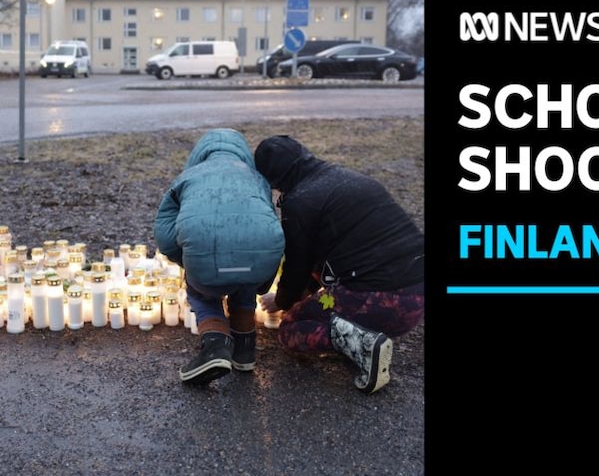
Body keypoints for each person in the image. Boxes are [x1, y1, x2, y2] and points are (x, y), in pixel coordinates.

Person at [254, 135, 424, 394]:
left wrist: (283, 302)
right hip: (417, 293)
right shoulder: (347, 177)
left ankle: (364, 344)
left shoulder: (300, 201)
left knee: (290, 330)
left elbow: (298, 266)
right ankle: (362, 333)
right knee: (315, 305)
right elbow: (314, 263)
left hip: (384, 300)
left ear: (274, 179)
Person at [155, 128, 284, 385]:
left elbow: (165, 235)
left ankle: (215, 347)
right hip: (259, 264)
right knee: (244, 277)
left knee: (202, 293)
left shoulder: (187, 177)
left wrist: (188, 262)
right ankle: (244, 350)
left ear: (200, 153)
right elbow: (266, 222)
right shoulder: (258, 178)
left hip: (207, 264)